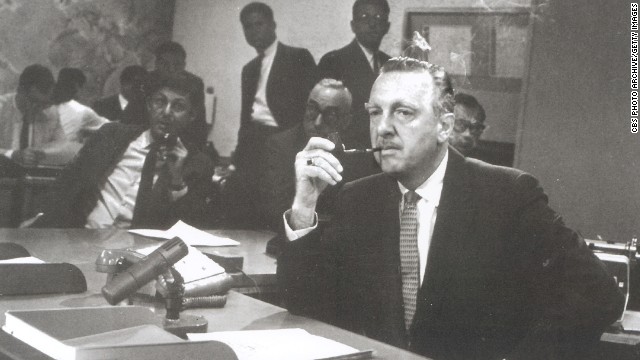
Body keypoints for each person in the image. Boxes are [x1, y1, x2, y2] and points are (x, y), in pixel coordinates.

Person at [277, 56, 624, 359]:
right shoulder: (355, 199)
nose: (382, 128)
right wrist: (305, 204)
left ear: (444, 126)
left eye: (404, 112)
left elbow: (598, 294)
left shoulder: (508, 194)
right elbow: (304, 306)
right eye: (374, 112)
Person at [32, 73, 216, 229]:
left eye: (178, 106)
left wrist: (177, 181)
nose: (166, 112)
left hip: (139, 254)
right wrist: (40, 216)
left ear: (192, 115)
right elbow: (68, 180)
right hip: (81, 236)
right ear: (149, 105)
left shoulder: (198, 165)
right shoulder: (111, 136)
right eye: (160, 102)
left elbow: (192, 228)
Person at [227, 1, 317, 228]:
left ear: (273, 25)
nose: (253, 31)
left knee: (276, 209)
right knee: (243, 208)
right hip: (252, 144)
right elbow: (245, 117)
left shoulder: (297, 57)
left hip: (284, 142)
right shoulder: (248, 69)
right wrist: (237, 156)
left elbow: (310, 107)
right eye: (247, 27)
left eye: (259, 24)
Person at [263, 78, 379, 234]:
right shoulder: (281, 146)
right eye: (313, 109)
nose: (317, 122)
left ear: (346, 121)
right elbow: (275, 213)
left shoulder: (358, 154)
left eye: (330, 114)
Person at [317, 0, 391, 149]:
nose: (372, 24)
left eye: (378, 18)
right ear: (353, 25)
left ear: (386, 26)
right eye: (364, 17)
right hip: (350, 153)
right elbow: (326, 118)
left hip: (385, 149)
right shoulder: (333, 61)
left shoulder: (390, 64)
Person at [0, 64, 68, 171]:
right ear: (20, 91)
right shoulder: (2, 107)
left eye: (44, 103)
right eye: (34, 102)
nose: (38, 109)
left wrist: (46, 153)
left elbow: (63, 146)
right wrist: (11, 154)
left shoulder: (49, 111)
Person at [150, 41, 207, 151]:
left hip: (180, 142)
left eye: (177, 65)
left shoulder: (194, 84)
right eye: (165, 64)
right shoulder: (146, 82)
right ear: (156, 64)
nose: (171, 70)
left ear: (184, 65)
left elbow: (199, 126)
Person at [52, 68, 109, 143]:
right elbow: (112, 128)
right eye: (89, 88)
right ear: (77, 86)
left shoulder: (50, 108)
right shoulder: (82, 111)